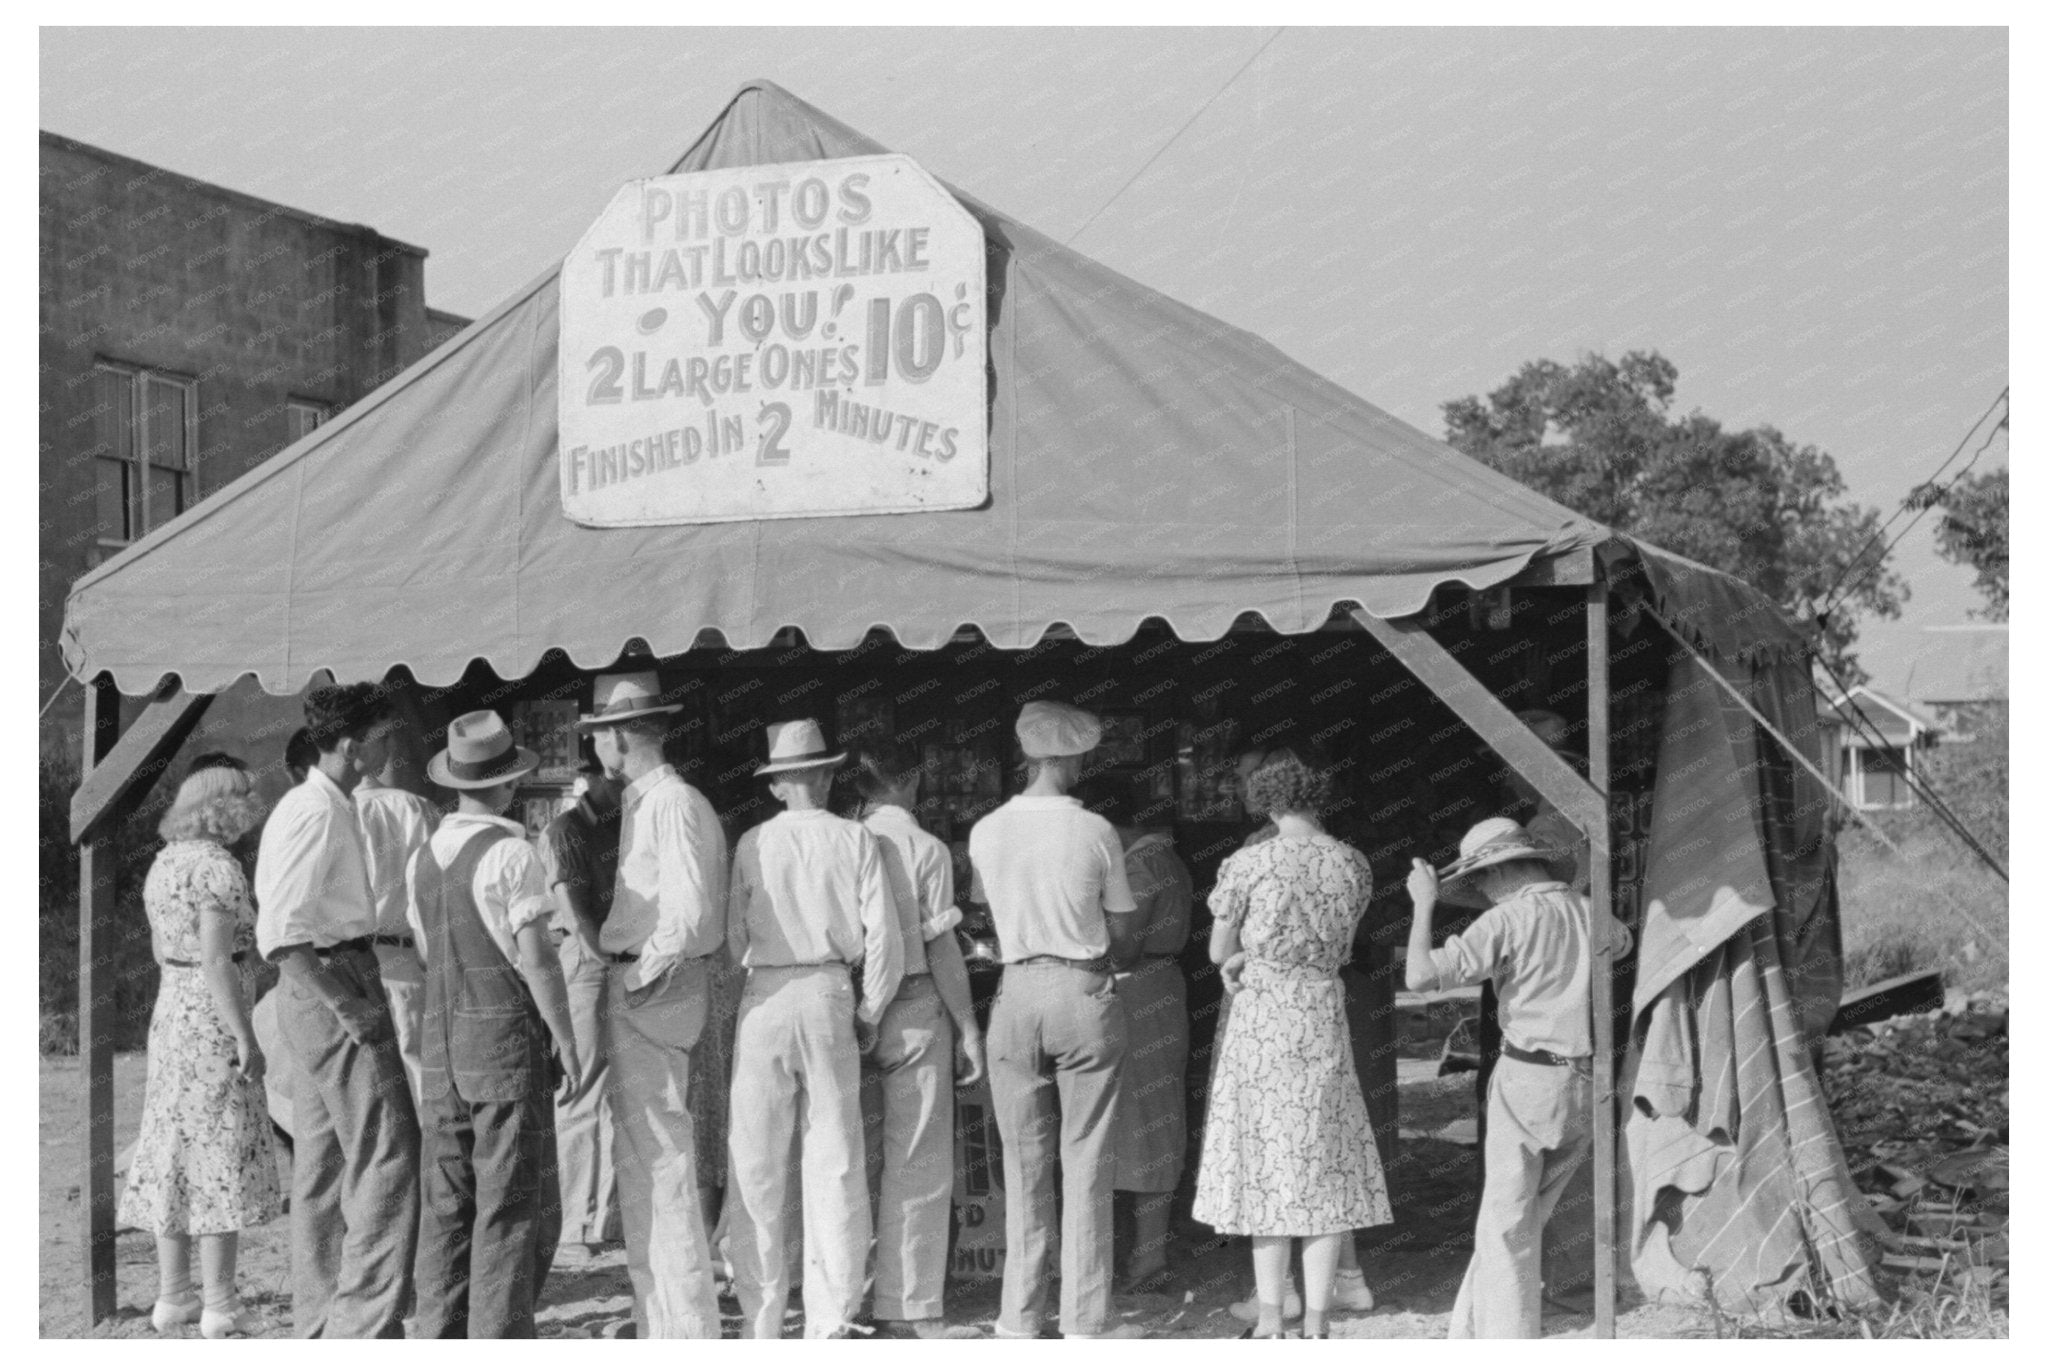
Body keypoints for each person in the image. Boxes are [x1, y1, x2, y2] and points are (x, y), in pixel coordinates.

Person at [1404, 816, 1632, 1339]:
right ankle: (1470, 1327)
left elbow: (1419, 977)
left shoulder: (1507, 919)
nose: (1482, 892)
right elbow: (1620, 944)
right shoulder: (1588, 911)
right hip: (1584, 1082)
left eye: (1481, 881)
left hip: (1528, 1077)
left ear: (1497, 872)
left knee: (1506, 1225)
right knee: (1528, 1217)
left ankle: (1506, 1340)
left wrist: (1423, 905)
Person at [1193, 749, 1391, 1340]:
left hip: (1263, 1018)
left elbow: (1215, 951)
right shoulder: (1351, 862)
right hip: (1323, 1015)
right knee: (1323, 1162)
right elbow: (1346, 949)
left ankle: (1273, 1321)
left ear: (1267, 804)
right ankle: (1320, 1323)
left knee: (1265, 1161)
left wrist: (1243, 960)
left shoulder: (1249, 862)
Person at [968, 701, 1147, 1340]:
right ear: (1063, 758)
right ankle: (1084, 1320)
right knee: (1088, 1159)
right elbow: (1123, 927)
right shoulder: (1095, 829)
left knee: (1022, 1163)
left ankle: (1018, 1317)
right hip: (1082, 991)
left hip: (1015, 995)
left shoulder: (986, 830)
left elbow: (985, 912)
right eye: (1079, 756)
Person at [407, 710, 587, 1337]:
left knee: (448, 1201)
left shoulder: (424, 857)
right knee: (510, 1201)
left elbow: (432, 952)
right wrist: (564, 1037)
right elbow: (537, 961)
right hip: (504, 1043)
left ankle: (438, 1333)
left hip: (442, 1044)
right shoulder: (513, 853)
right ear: (510, 782)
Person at [725, 719, 904, 1339]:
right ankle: (830, 1320)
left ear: (777, 787)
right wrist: (871, 1010)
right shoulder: (856, 838)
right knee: (834, 1158)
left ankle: (761, 1317)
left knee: (757, 1160)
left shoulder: (752, 843)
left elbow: (731, 940)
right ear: (828, 776)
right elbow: (886, 940)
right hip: (829, 989)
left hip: (766, 993)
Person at [254, 682, 419, 1338]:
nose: (389, 745)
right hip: (330, 973)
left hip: (329, 974)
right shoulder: (318, 811)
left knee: (322, 1161)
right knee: (389, 1153)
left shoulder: (322, 804)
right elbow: (281, 934)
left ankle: (323, 1321)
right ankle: (362, 1325)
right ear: (351, 742)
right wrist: (345, 1003)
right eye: (380, 735)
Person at [579, 670, 728, 1338]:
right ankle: (660, 1319)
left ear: (616, 735)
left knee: (661, 1156)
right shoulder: (649, 801)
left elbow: (692, 914)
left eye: (599, 736)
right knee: (645, 1159)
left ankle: (685, 1327)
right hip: (649, 979)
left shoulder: (671, 802)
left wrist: (640, 976)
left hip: (654, 985)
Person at [122, 761, 281, 1338]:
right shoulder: (218, 868)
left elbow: (168, 951)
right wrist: (245, 1034)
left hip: (172, 1009)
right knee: (219, 1149)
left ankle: (172, 1296)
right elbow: (218, 959)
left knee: (173, 1145)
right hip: (213, 1014)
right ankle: (220, 1303)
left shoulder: (165, 863)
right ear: (226, 808)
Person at [847, 740, 988, 1339]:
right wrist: (969, 1027)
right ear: (911, 780)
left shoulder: (838, 841)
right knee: (917, 1156)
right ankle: (905, 1305)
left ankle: (837, 1296)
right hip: (912, 1003)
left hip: (844, 1004)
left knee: (843, 1156)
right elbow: (941, 946)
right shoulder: (925, 848)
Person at [1077, 773, 1191, 1292]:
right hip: (1156, 987)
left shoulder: (1141, 865)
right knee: (1150, 1116)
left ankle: (1148, 1254)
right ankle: (1145, 1249)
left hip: (1141, 990)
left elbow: (1125, 944)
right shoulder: (1160, 858)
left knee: (1145, 1119)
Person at [536, 757, 625, 1263]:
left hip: (614, 961)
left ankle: (603, 1219)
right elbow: (572, 908)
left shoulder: (622, 824)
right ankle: (572, 1225)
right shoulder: (566, 829)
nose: (619, 787)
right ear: (589, 779)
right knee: (581, 1090)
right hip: (588, 961)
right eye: (611, 779)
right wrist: (604, 959)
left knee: (614, 1094)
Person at [354, 733, 440, 1106]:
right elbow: (433, 892)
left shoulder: (333, 813)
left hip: (352, 959)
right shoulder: (416, 808)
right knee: (418, 1069)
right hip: (405, 956)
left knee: (368, 1083)